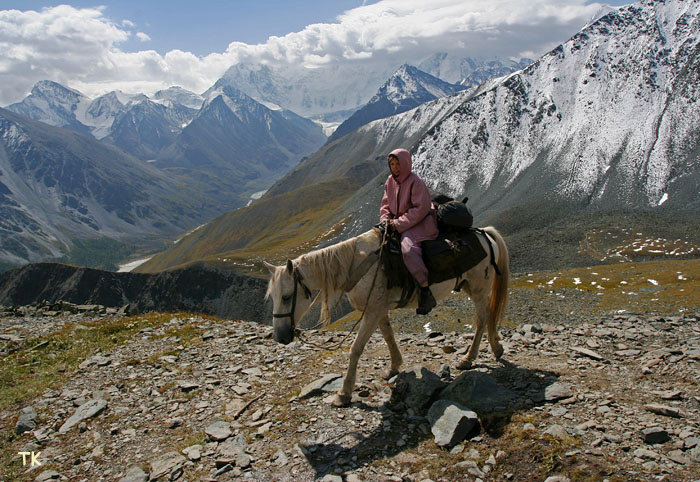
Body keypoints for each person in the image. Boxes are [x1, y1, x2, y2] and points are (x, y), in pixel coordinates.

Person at [380, 148, 438, 315]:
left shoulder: (415, 182)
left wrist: (397, 224)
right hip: (398, 222)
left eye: (398, 164)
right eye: (392, 164)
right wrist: (385, 222)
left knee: (408, 249)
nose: (395, 168)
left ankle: (425, 290)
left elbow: (420, 210)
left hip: (419, 223)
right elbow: (385, 205)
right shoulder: (390, 181)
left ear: (406, 163)